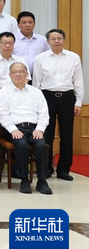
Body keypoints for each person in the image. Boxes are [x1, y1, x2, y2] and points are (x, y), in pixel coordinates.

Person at [33, 29, 83, 181]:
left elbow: (78, 81)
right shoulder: (40, 58)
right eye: (53, 39)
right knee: (47, 134)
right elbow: (36, 83)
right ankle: (47, 168)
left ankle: (64, 169)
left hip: (67, 97)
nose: (56, 41)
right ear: (47, 41)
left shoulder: (73, 57)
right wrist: (36, 104)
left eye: (59, 38)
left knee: (67, 135)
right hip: (47, 97)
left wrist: (78, 102)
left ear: (64, 40)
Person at [0, 61, 52, 194]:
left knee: (41, 146)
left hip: (34, 128)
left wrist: (40, 129)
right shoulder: (4, 92)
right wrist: (13, 129)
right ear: (10, 75)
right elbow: (3, 115)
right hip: (15, 128)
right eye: (14, 72)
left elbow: (44, 113)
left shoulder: (36, 92)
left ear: (27, 74)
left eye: (21, 71)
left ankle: (42, 181)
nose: (18, 74)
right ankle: (24, 180)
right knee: (22, 145)